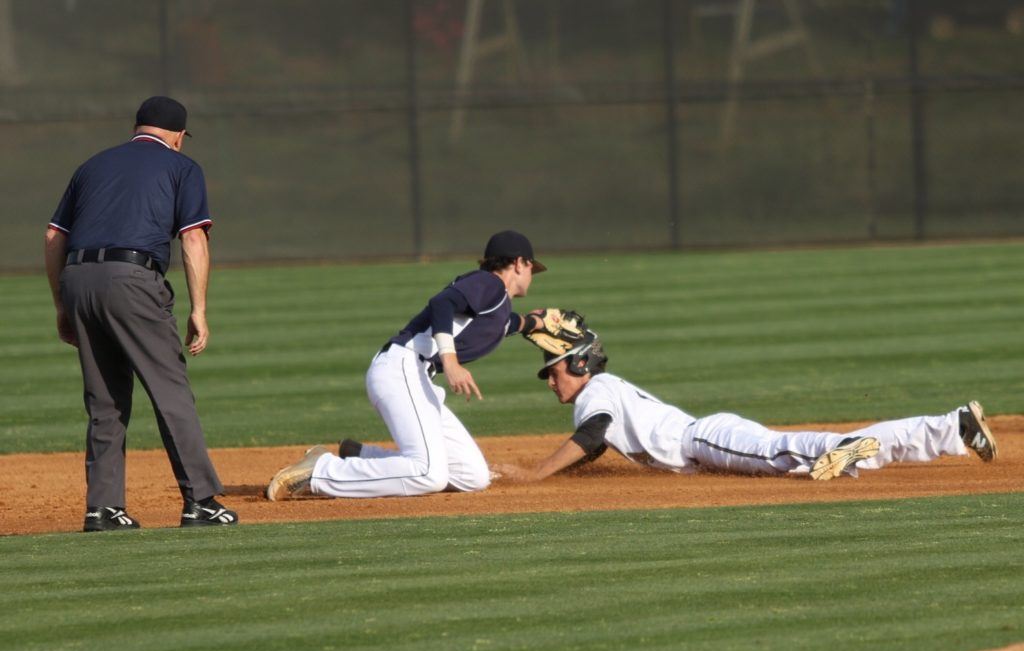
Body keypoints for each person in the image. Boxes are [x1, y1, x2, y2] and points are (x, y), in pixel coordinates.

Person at [45, 95, 237, 531]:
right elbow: (192, 240)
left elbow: (54, 235)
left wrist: (62, 304)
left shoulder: (92, 165)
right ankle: (202, 502)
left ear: (138, 128)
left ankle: (103, 509)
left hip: (77, 279)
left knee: (105, 399)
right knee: (170, 392)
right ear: (176, 135)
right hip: (131, 279)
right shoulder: (182, 168)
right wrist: (200, 309)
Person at [493, 329, 997, 483]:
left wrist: (535, 474)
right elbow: (596, 448)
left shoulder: (595, 393)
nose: (549, 380)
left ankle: (837, 450)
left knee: (781, 453)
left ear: (579, 365)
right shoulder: (603, 391)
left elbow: (592, 434)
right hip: (703, 442)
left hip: (702, 438)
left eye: (553, 369)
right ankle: (952, 427)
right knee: (796, 454)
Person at [266, 230, 550, 500]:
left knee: (472, 476)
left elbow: (505, 323)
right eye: (530, 268)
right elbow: (442, 303)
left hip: (416, 376)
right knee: (429, 474)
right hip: (402, 368)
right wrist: (450, 360)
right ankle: (320, 472)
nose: (531, 275)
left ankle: (362, 456)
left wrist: (538, 322)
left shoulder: (497, 306)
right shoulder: (489, 284)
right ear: (517, 263)